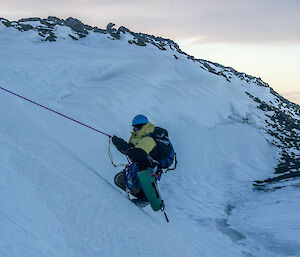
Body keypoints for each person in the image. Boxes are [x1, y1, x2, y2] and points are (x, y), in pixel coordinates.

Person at [112, 114, 161, 206]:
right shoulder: (143, 137)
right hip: (142, 169)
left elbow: (135, 153)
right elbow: (132, 149)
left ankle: (144, 199)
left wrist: (122, 145)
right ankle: (143, 198)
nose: (134, 129)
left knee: (121, 180)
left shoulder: (148, 139)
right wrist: (119, 142)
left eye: (135, 127)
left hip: (147, 171)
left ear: (141, 127)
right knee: (119, 180)